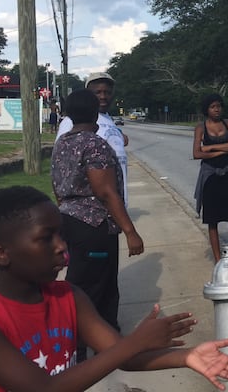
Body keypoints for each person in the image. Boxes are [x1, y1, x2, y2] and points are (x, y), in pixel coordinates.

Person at [0, 186, 228, 392]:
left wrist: (186, 357)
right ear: (1, 253)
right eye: (46, 238)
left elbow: (122, 356)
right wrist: (136, 342)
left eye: (61, 235)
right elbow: (44, 389)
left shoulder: (69, 297)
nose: (61, 246)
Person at [51, 88, 143, 362]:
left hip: (69, 220)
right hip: (94, 225)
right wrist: (130, 231)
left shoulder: (62, 143)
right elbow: (106, 192)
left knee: (86, 282)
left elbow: (58, 186)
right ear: (94, 112)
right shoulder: (94, 144)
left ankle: (102, 342)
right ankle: (85, 348)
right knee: (94, 287)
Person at [57, 72, 130, 205]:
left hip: (116, 203)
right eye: (98, 92)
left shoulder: (108, 119)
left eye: (107, 92)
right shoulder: (73, 121)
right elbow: (61, 163)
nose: (103, 97)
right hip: (93, 209)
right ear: (88, 94)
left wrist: (119, 134)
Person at [192, 93, 228, 262]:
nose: (217, 109)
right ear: (207, 109)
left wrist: (209, 148)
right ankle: (218, 259)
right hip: (210, 177)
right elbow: (197, 153)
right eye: (213, 106)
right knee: (213, 221)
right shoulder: (201, 128)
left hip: (227, 174)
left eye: (219, 105)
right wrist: (222, 150)